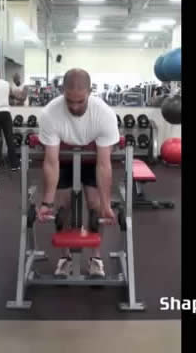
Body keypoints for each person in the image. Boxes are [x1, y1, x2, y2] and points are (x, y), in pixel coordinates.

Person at [37, 68, 120, 278]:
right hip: (64, 158)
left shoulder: (104, 114)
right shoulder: (50, 113)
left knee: (96, 208)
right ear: (62, 91)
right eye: (69, 101)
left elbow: (103, 164)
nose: (74, 107)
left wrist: (107, 204)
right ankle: (65, 258)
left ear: (90, 92)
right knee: (61, 207)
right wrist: (46, 203)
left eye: (80, 101)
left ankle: (96, 258)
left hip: (93, 160)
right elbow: (51, 161)